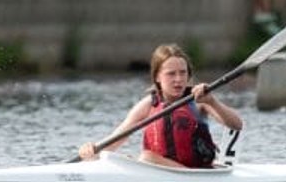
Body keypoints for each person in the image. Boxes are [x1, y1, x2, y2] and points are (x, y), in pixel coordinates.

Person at [78, 44, 243, 169]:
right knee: (123, 158)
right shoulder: (148, 105)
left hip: (198, 175)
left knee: (145, 158)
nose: (178, 79)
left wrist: (213, 102)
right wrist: (94, 150)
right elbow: (118, 137)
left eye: (183, 72)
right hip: (160, 174)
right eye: (171, 74)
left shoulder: (199, 100)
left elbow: (237, 125)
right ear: (157, 77)